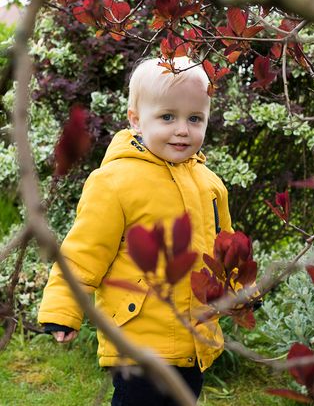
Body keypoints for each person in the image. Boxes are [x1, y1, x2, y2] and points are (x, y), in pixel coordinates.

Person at [38, 56, 232, 405]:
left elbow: (225, 249)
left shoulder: (211, 184)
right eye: (167, 117)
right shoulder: (115, 182)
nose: (183, 130)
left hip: (194, 341)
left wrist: (240, 287)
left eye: (195, 118)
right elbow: (83, 253)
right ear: (136, 120)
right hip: (137, 339)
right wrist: (62, 310)